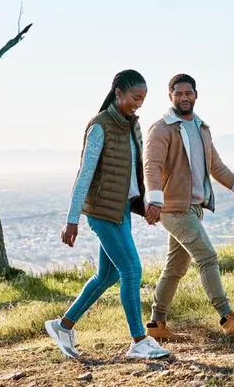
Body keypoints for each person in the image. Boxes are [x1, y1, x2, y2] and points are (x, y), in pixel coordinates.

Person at [44, 70, 170, 360]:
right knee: (131, 270)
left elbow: (137, 171)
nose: (139, 103)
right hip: (102, 212)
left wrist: (147, 202)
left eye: (142, 99)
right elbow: (85, 174)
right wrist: (72, 219)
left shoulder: (131, 126)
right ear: (118, 94)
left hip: (121, 209)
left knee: (108, 274)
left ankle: (63, 326)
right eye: (135, 98)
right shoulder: (99, 126)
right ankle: (139, 341)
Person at [143, 73, 234, 338]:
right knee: (207, 257)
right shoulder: (161, 128)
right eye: (179, 93)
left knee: (174, 268)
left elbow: (216, 167)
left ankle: (156, 325)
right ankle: (227, 317)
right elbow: (151, 166)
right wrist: (153, 200)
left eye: (189, 93)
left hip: (193, 208)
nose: (184, 98)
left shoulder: (201, 128)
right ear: (170, 96)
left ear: (196, 95)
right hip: (173, 209)